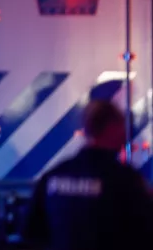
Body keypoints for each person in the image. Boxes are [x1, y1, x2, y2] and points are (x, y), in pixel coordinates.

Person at [25, 100, 153, 249]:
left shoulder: (54, 175)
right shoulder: (125, 180)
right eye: (122, 127)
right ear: (112, 128)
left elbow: (31, 233)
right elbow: (145, 233)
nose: (125, 135)